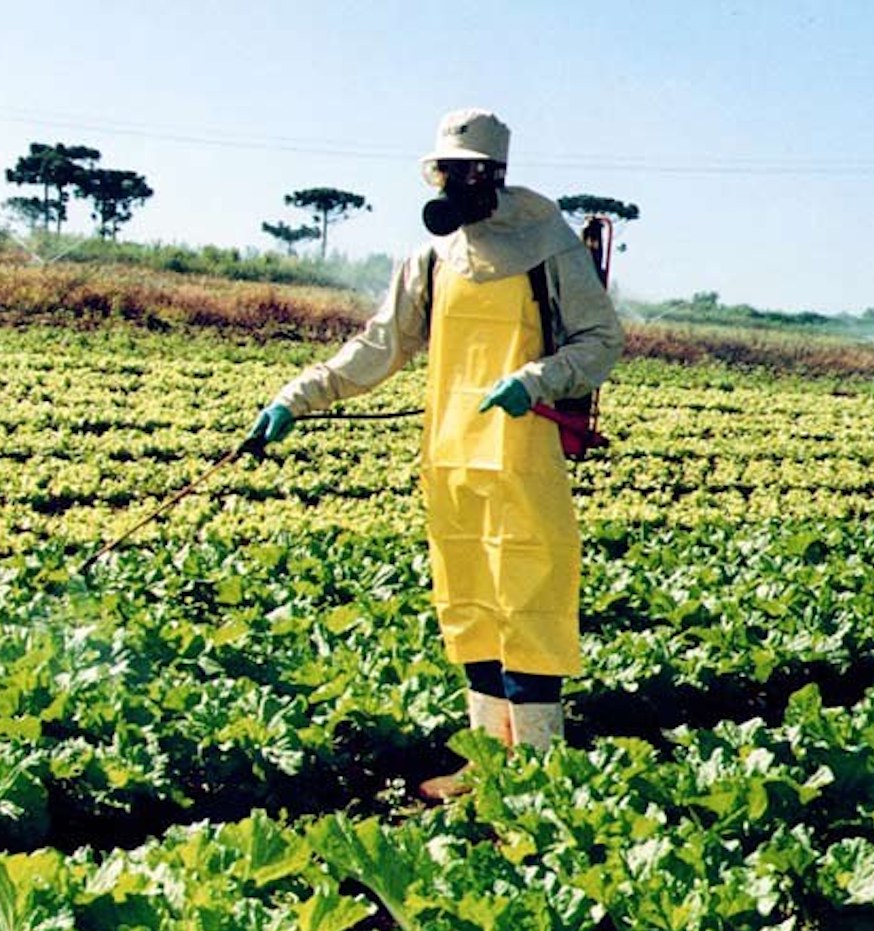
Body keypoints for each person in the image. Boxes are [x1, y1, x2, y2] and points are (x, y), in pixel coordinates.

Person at [247, 108, 624, 799]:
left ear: (497, 175)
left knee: (529, 602)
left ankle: (539, 770)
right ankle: (486, 762)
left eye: (472, 172)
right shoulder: (430, 255)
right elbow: (377, 346)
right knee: (470, 602)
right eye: (449, 171)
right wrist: (293, 399)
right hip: (450, 454)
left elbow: (599, 341)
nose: (459, 182)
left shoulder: (547, 244)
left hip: (521, 452)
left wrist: (534, 379)